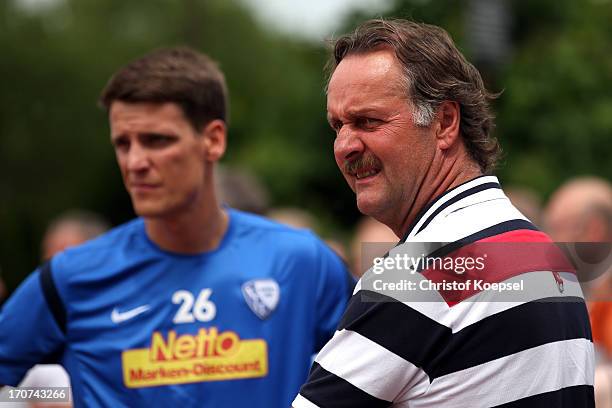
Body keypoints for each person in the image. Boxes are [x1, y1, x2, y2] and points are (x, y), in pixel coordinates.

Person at [0, 47, 352, 408]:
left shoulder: (302, 261)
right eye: (123, 144)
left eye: (157, 141)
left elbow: (391, 375)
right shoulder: (71, 276)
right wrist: (50, 398)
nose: (135, 162)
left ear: (213, 140)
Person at [293, 19, 594, 407]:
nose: (345, 146)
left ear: (445, 123)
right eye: (338, 125)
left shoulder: (419, 274)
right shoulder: (546, 254)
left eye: (368, 121)